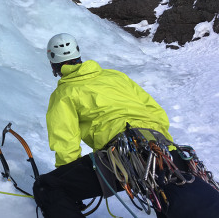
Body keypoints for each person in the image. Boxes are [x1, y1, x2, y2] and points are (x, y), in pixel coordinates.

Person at [32, 33, 219, 218]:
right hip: (167, 153)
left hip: (122, 159)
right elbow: (156, 112)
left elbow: (65, 142)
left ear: (52, 63)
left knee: (47, 187)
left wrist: (67, 180)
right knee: (171, 193)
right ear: (79, 56)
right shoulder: (116, 76)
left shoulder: (64, 93)